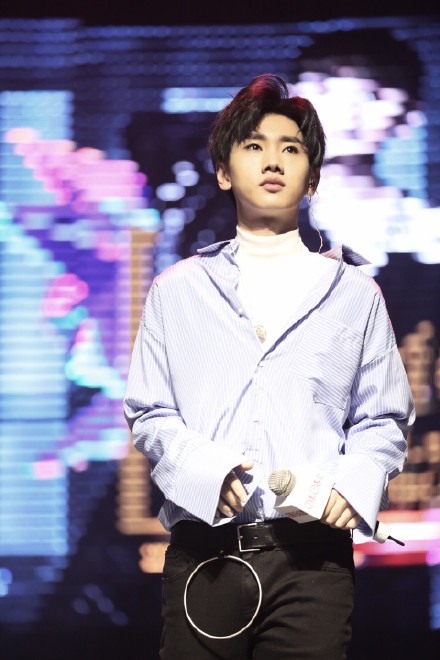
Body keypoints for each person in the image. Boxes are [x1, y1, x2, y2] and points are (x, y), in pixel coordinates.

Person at [124, 74, 415, 660]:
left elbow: (383, 417)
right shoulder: (177, 290)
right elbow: (150, 412)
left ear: (312, 178)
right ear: (224, 171)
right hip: (204, 555)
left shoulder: (354, 294)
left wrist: (355, 482)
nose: (273, 161)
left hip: (312, 562)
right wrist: (207, 472)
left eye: (291, 148)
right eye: (254, 146)